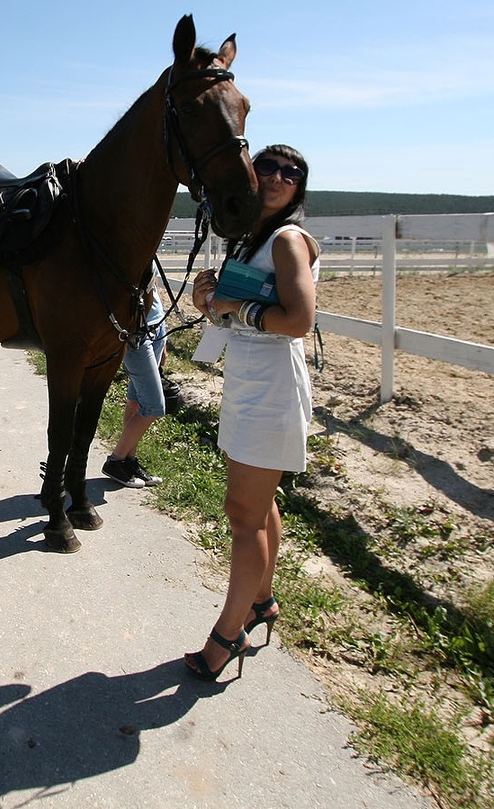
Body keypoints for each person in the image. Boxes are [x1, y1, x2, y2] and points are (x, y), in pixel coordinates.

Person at [183, 144, 320, 681]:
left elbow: (299, 321)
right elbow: (235, 319)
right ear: (248, 174)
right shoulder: (248, 239)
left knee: (243, 517)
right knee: (256, 509)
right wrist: (209, 304)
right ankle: (261, 602)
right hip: (247, 383)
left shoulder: (286, 240)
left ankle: (228, 634)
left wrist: (238, 307)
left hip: (271, 392)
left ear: (299, 189)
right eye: (268, 166)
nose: (280, 176)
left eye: (293, 173)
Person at [102, 269, 168, 488]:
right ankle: (116, 460)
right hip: (136, 334)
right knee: (154, 406)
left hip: (157, 327)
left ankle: (129, 461)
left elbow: (152, 286)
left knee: (136, 401)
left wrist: (163, 339)